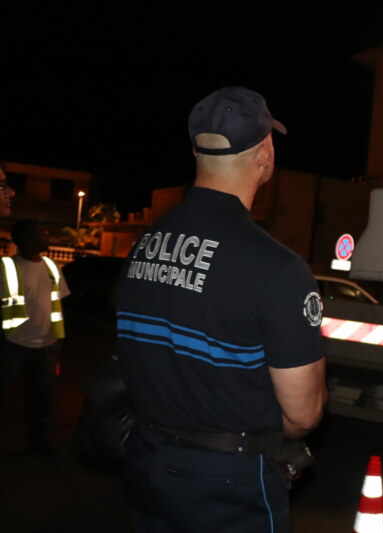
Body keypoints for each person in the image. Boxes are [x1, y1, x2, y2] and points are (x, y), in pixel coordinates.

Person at [116, 86, 327, 533]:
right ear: (265, 152)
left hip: (145, 457)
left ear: (196, 150)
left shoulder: (144, 245)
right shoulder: (278, 268)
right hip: (226, 481)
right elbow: (304, 414)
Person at [0, 219, 70, 454]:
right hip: (12, 344)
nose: (47, 234)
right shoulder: (7, 267)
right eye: (42, 232)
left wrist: (57, 341)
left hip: (47, 345)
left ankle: (39, 443)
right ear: (28, 239)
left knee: (43, 397)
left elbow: (58, 304)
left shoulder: (52, 267)